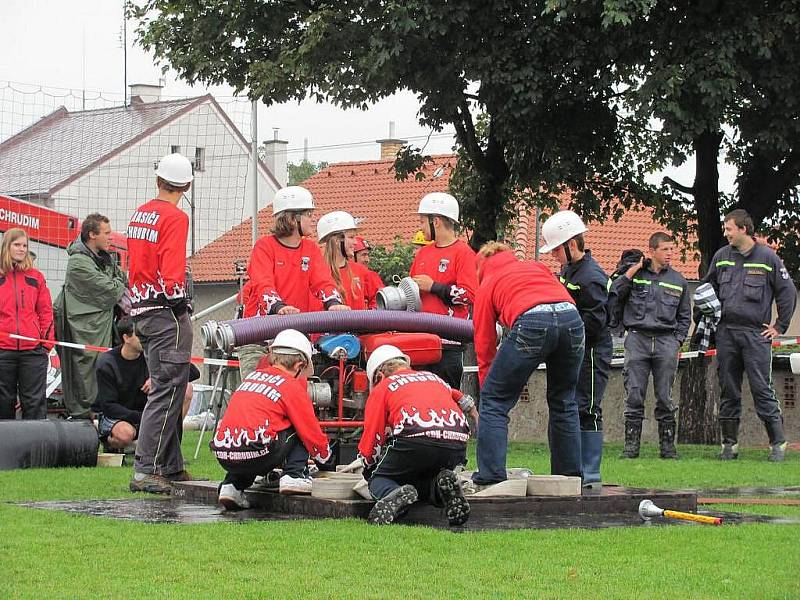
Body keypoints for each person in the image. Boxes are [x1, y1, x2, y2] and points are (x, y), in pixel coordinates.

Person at [471, 242, 584, 485]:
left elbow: (484, 342)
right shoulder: (535, 266)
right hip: (571, 318)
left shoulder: (488, 282)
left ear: (480, 268)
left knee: (494, 401)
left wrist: (487, 385)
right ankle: (569, 479)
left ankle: (490, 476)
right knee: (564, 400)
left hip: (532, 320)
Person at [126, 152, 196, 494]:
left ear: (158, 180)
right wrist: (178, 297)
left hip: (140, 310)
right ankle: (148, 469)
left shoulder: (140, 214)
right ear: (186, 186)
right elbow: (171, 267)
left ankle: (170, 465)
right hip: (166, 313)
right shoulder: (175, 217)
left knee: (165, 386)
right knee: (169, 389)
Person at [704, 209, 797, 462]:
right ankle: (729, 445)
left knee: (760, 388)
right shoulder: (722, 256)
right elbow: (707, 287)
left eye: (729, 229)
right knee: (728, 388)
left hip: (755, 334)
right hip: (726, 332)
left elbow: (787, 293)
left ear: (743, 229)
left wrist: (779, 326)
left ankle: (777, 443)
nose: (725, 233)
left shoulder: (767, 257)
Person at [211, 329, 332, 510]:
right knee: (296, 427)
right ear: (300, 364)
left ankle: (232, 486)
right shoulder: (291, 385)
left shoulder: (251, 378)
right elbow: (310, 430)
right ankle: (294, 476)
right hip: (260, 452)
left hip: (225, 454)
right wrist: (325, 457)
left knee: (249, 443)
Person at [238, 186, 349, 378]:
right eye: (308, 214)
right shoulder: (264, 247)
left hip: (293, 336)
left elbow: (323, 281)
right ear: (292, 218)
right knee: (258, 389)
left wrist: (333, 303)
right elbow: (263, 283)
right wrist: (278, 307)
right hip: (260, 338)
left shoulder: (310, 248)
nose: (313, 219)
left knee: (306, 391)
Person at [354, 344, 471, 526]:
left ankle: (392, 493)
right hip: (457, 443)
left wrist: (368, 466)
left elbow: (373, 438)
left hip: (415, 436)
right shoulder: (435, 379)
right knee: (424, 477)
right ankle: (440, 488)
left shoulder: (384, 386)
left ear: (379, 375)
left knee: (379, 478)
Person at [540, 210, 612, 487]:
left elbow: (595, 321)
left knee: (588, 407)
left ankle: (590, 476)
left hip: (592, 352)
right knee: (571, 405)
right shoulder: (569, 270)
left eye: (556, 250)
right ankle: (573, 471)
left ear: (571, 244)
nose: (554, 256)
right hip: (574, 349)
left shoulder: (591, 277)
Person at [610, 232, 691, 460]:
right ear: (652, 250)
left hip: (666, 341)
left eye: (671, 250)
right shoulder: (636, 276)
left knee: (665, 397)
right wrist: (633, 269)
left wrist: (677, 341)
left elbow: (685, 316)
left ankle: (667, 448)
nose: (670, 254)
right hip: (638, 338)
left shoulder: (678, 280)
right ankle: (631, 447)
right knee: (634, 394)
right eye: (665, 250)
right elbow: (616, 291)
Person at [54, 213, 127, 419]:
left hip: (101, 328)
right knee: (85, 373)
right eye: (106, 233)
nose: (110, 237)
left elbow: (122, 279)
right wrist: (118, 284)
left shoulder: (104, 258)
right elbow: (111, 291)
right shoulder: (78, 263)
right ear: (92, 235)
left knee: (103, 371)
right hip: (83, 330)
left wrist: (118, 282)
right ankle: (84, 416)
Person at [92, 316, 198, 451]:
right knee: (125, 434)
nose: (145, 338)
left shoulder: (151, 353)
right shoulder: (107, 363)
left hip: (148, 413)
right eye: (140, 335)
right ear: (126, 338)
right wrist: (145, 418)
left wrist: (157, 378)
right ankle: (113, 444)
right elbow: (108, 406)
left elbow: (193, 372)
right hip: (119, 416)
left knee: (186, 389)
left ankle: (166, 445)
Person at [409, 192, 477, 389]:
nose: (420, 226)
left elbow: (469, 295)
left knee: (447, 400)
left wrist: (434, 287)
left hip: (448, 345)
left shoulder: (463, 253)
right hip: (420, 341)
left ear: (436, 221)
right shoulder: (422, 253)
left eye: (422, 221)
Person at [0, 229, 54, 419]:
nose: (22, 249)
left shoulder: (36, 277)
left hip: (32, 351)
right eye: (17, 245)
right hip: (3, 351)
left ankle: (36, 447)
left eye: (24, 245)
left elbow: (46, 312)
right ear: (7, 246)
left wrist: (45, 345)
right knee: (3, 402)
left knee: (33, 402)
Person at [317, 211, 371, 309]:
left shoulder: (361, 271)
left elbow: (378, 297)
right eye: (351, 237)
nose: (355, 242)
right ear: (337, 240)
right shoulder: (318, 275)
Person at [351, 236, 384, 307]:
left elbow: (380, 302)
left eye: (367, 255)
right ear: (352, 256)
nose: (367, 260)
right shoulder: (339, 274)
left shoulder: (371, 276)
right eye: (363, 255)